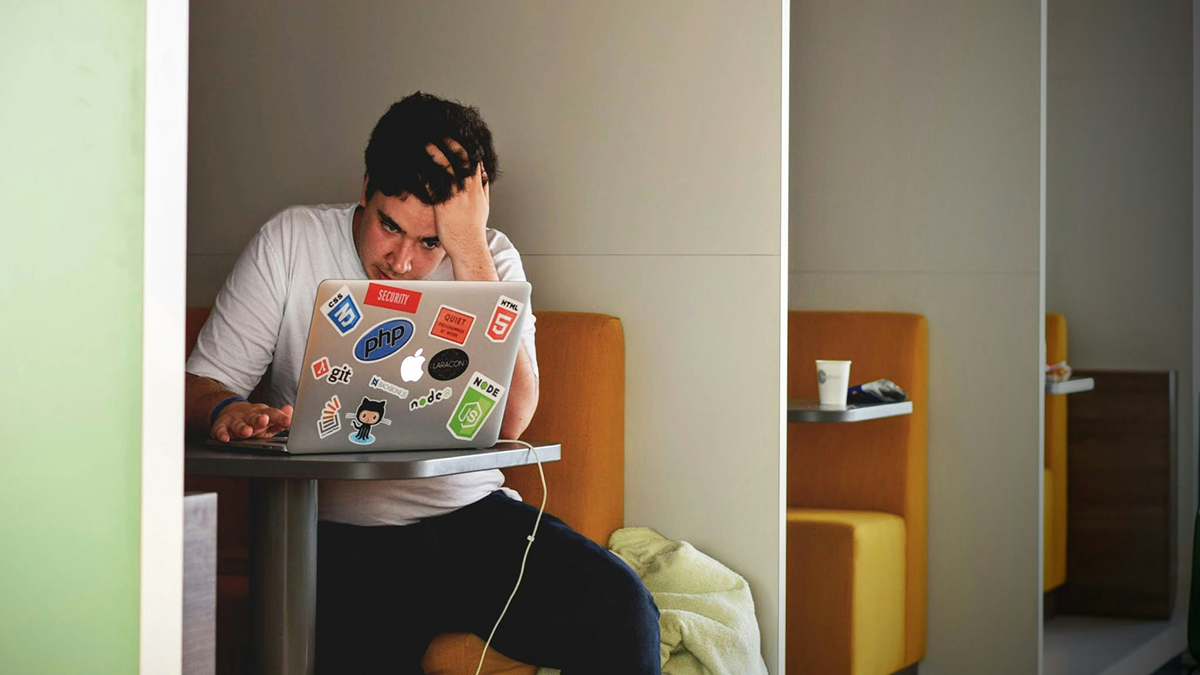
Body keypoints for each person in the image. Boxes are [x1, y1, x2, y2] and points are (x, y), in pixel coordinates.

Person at [184, 92, 661, 674]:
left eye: (430, 240)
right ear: (365, 188)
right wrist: (225, 411)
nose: (402, 261)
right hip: (334, 537)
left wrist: (467, 250)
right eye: (390, 226)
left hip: (470, 521)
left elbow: (513, 419)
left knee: (623, 609)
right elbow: (199, 386)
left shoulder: (490, 260)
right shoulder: (291, 242)